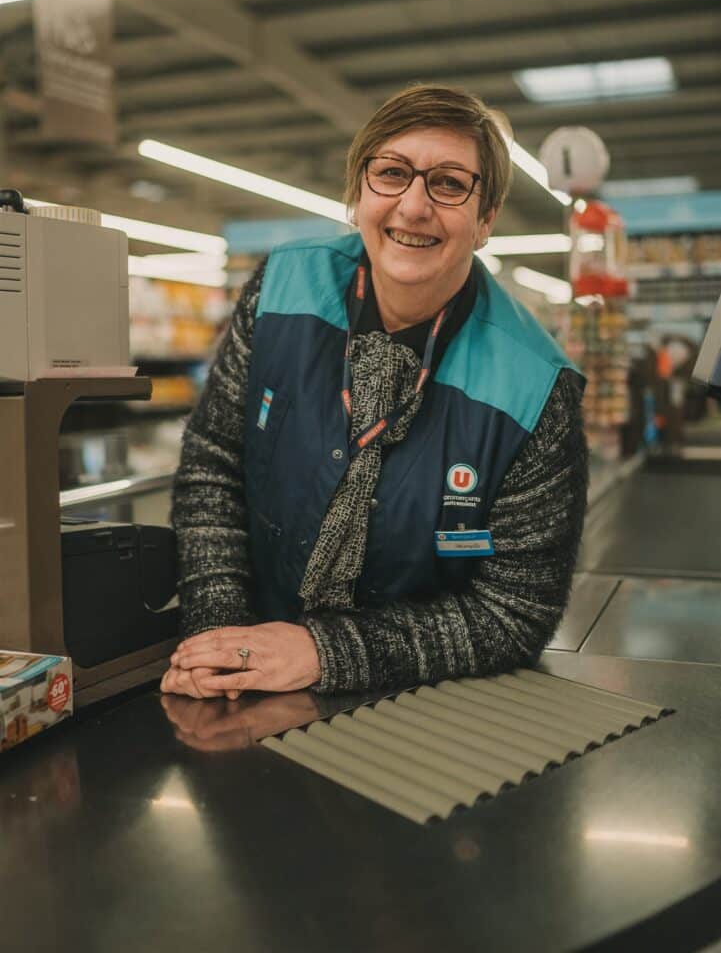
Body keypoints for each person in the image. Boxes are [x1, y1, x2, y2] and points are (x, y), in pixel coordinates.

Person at [161, 83, 588, 700]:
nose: (413, 207)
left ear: (486, 220)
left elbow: (514, 612)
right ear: (357, 193)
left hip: (422, 706)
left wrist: (325, 652)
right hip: (247, 681)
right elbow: (213, 467)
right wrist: (223, 642)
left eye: (448, 184)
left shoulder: (534, 387)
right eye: (391, 173)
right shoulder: (282, 287)